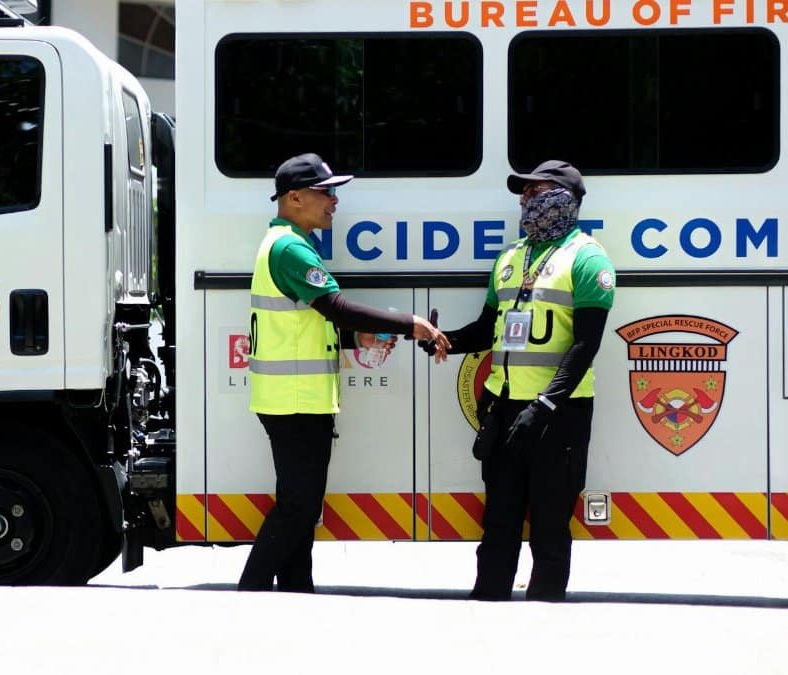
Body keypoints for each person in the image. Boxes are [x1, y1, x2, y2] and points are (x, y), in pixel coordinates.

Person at [239, 152, 450, 592]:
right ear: (294, 197)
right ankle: (251, 592)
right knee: (298, 507)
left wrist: (359, 340)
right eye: (327, 192)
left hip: (293, 399)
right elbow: (335, 308)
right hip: (295, 402)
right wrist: (409, 324)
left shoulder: (285, 243)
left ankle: (297, 590)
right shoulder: (291, 248)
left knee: (300, 505)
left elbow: (308, 322)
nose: (335, 201)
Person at [425, 160, 615, 601]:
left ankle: (544, 623)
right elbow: (485, 329)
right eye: (523, 192)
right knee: (498, 524)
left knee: (550, 527)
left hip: (558, 414)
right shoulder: (509, 258)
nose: (525, 200)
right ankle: (487, 605)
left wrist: (544, 405)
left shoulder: (587, 258)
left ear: (564, 197)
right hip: (505, 409)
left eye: (536, 190)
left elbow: (585, 345)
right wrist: (443, 341)